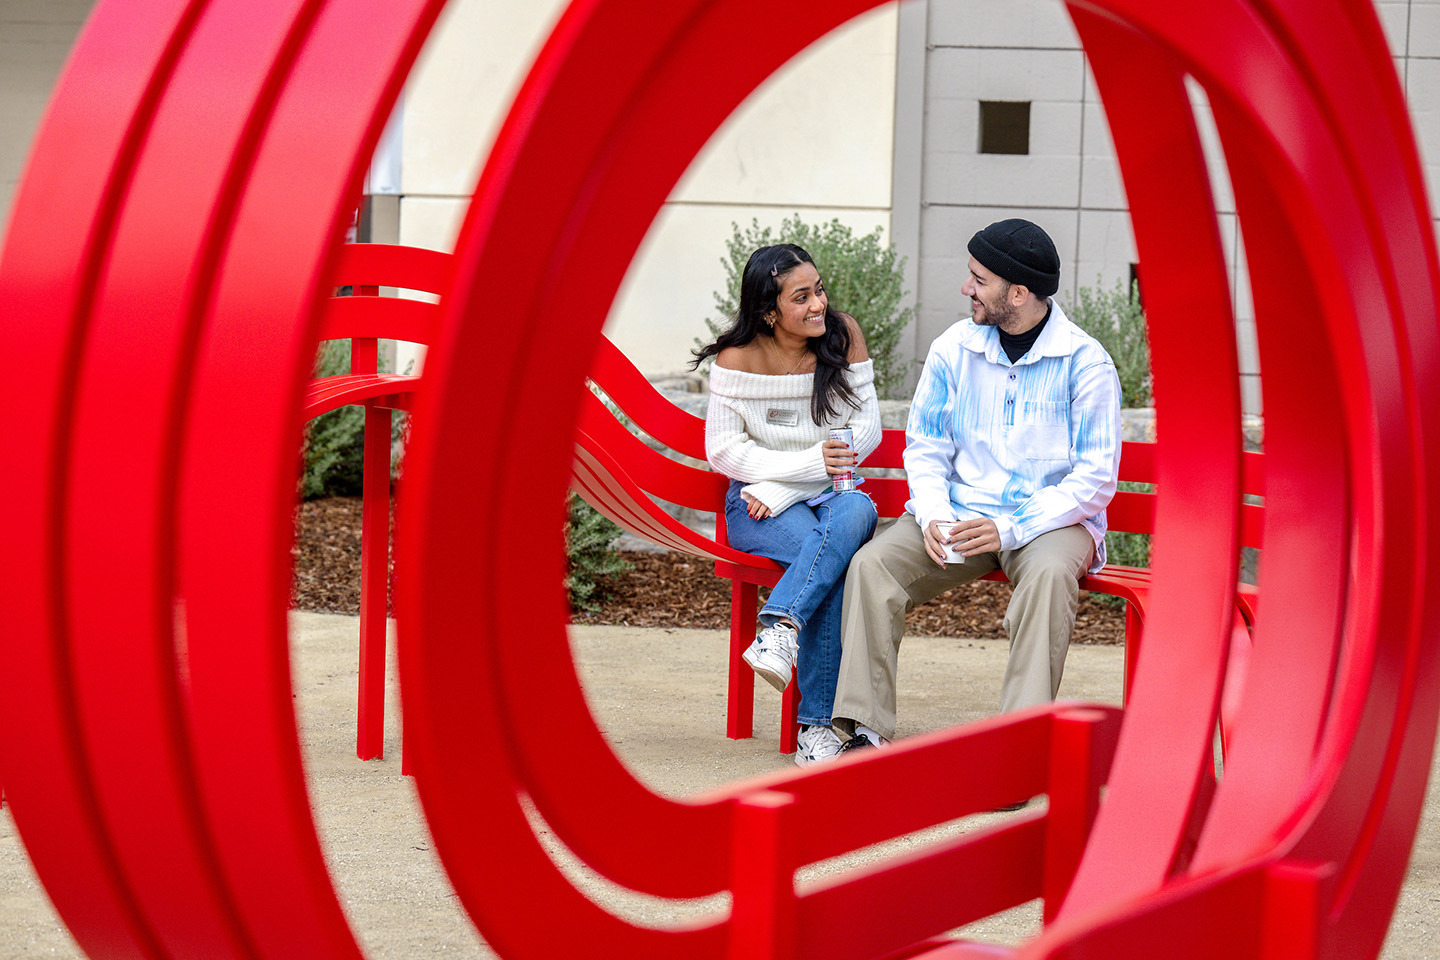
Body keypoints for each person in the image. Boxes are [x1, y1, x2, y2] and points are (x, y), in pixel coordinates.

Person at [832, 218, 1121, 754]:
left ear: (1017, 292)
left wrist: (1009, 529)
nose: (967, 288)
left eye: (978, 279)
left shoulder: (1086, 364)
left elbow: (1094, 480)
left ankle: (1015, 750)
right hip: (960, 513)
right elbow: (926, 447)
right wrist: (936, 515)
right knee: (873, 567)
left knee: (1051, 577)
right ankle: (861, 729)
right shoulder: (954, 348)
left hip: (1049, 522)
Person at [694, 243, 881, 766]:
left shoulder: (842, 337)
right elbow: (725, 452)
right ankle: (819, 727)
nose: (819, 303)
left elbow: (864, 431)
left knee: (858, 512)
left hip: (813, 497)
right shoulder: (740, 359)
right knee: (833, 568)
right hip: (756, 507)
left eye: (818, 289)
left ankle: (781, 627)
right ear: (769, 311)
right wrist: (806, 474)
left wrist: (785, 483)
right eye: (802, 297)